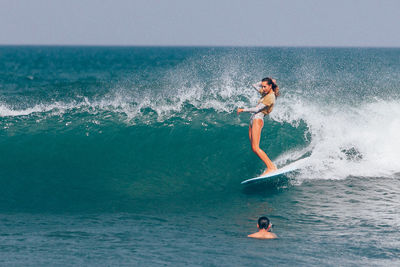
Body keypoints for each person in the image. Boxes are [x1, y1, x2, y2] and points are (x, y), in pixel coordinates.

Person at [237, 77, 280, 175]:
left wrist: (243, 110)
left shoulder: (270, 97)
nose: (263, 88)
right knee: (253, 148)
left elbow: (257, 109)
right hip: (253, 120)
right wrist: (268, 81)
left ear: (270, 86)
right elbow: (254, 85)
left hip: (258, 119)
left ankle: (271, 167)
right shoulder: (266, 93)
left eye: (265, 86)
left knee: (256, 147)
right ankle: (271, 167)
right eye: (263, 86)